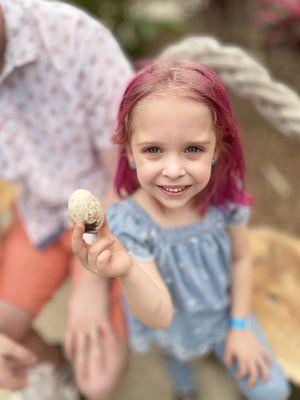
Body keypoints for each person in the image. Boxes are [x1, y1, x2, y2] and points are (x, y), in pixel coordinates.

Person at [72, 61, 291, 400]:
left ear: (216, 148)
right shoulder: (130, 224)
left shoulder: (224, 200)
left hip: (223, 316)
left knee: (273, 392)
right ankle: (183, 385)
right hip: (172, 326)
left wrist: (240, 325)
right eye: (153, 150)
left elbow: (240, 259)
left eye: (193, 149)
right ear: (130, 152)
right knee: (177, 358)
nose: (173, 170)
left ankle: (219, 350)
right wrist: (128, 269)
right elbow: (159, 314)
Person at [0, 0, 133, 398]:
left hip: (107, 213)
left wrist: (90, 284)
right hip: (38, 214)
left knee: (99, 380)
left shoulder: (72, 37)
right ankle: (54, 366)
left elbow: (126, 175)